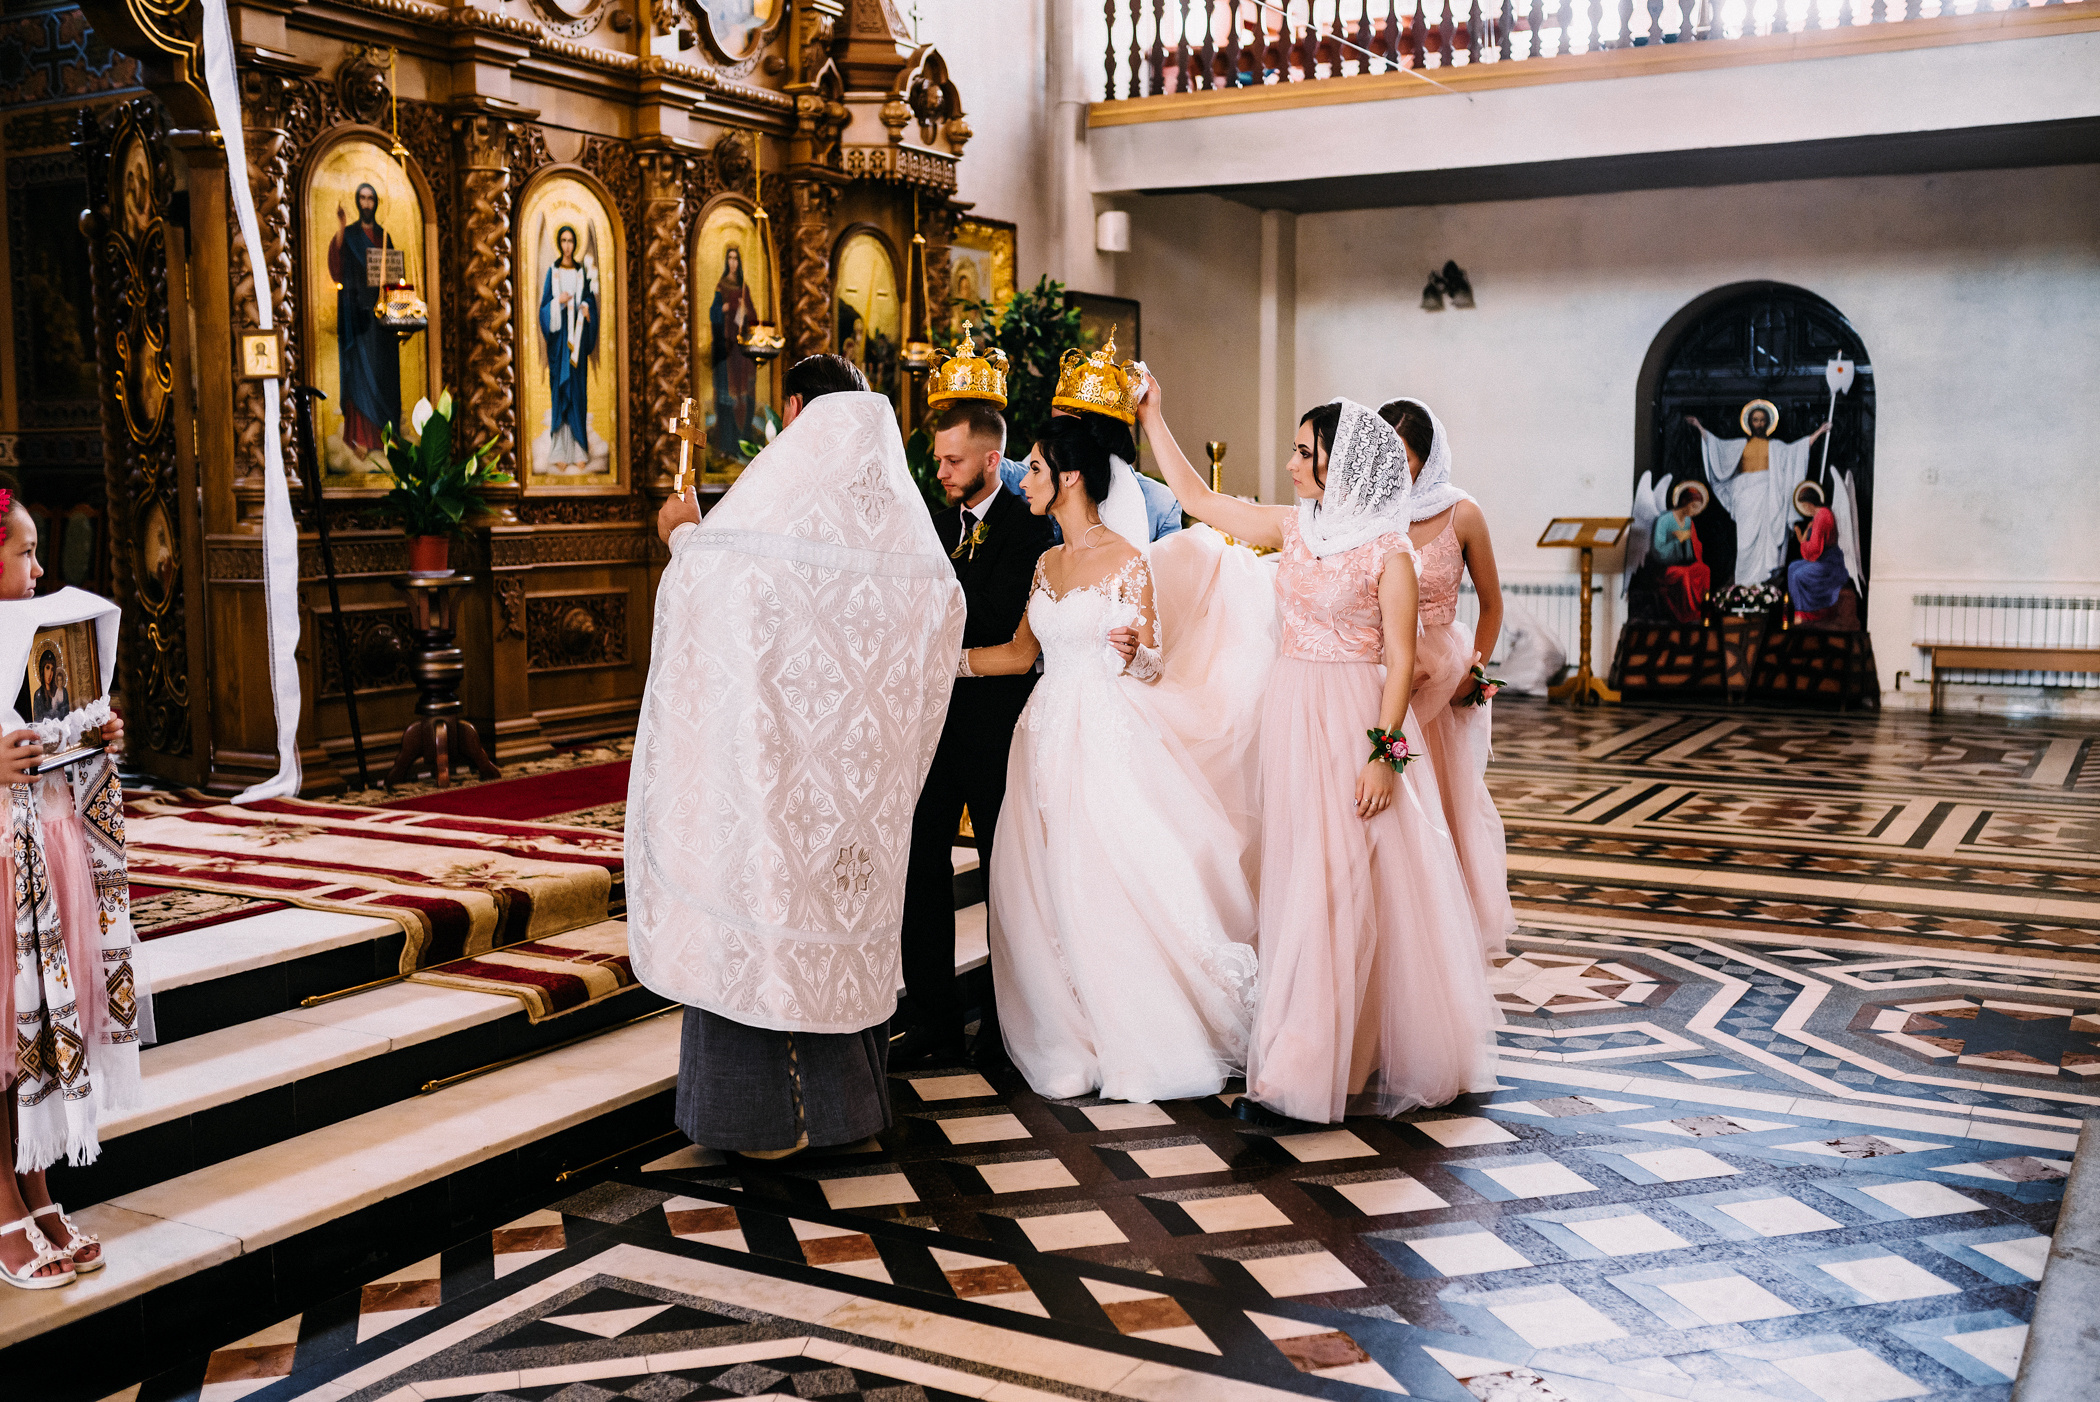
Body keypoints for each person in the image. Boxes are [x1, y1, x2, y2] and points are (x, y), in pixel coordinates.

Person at [630, 355, 965, 1158]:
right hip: (858, 787)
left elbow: (714, 587)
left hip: (777, 778)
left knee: (767, 920)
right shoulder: (899, 517)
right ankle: (845, 1114)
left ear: (791, 407)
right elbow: (941, 607)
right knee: (836, 927)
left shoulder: (779, 496)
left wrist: (682, 529)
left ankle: (765, 1126)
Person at [1142, 382, 1498, 1127]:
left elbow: (1401, 663)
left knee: (1343, 888)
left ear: (1344, 464)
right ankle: (1308, 1053)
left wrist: (1385, 755)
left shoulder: (1388, 551)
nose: (1293, 463)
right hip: (1293, 714)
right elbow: (1199, 500)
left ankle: (1301, 1075)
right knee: (1303, 881)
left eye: (1307, 453)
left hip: (1355, 723)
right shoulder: (1294, 528)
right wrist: (1154, 417)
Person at [961, 416, 1259, 1103]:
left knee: (1104, 879)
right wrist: (941, 665)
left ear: (1068, 478)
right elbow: (1018, 655)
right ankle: (1073, 1030)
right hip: (1041, 735)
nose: (1023, 480)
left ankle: (1137, 1027)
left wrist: (1135, 654)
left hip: (1102, 735)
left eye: (1033, 468)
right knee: (1043, 885)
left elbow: (1152, 666)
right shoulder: (1045, 562)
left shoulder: (1129, 560)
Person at [0, 482, 144, 1288]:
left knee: (35, 1042)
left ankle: (37, 1187)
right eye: (24, 551)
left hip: (47, 852)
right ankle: (2, 1210)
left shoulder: (34, 632)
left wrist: (90, 731)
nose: (39, 564)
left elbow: (50, 726)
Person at [893, 397, 1054, 1070]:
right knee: (919, 866)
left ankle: (999, 1023)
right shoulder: (932, 523)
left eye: (953, 459)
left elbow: (991, 618)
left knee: (1001, 870)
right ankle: (930, 1013)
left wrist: (935, 580)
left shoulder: (1027, 529)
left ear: (993, 460)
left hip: (997, 725)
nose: (941, 468)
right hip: (932, 725)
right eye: (937, 457)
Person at [1378, 398, 1514, 958]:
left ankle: (1448, 935)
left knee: (1447, 800)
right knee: (1392, 797)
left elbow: (1491, 605)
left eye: (1404, 459)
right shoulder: (1371, 509)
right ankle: (1397, 925)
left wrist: (1475, 673)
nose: (1394, 471)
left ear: (1429, 458)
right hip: (1388, 667)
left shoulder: (1464, 514)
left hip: (1444, 669)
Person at [996, 334, 1182, 545]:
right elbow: (988, 466)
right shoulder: (1029, 482)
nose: (1059, 441)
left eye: (1068, 431)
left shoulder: (1159, 504)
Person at [1687, 402, 1829, 588]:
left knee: (1767, 539)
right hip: (1745, 498)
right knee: (1745, 542)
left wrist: (1819, 432)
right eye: (1755, 420)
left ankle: (1765, 580)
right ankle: (1744, 583)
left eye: (1762, 420)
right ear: (1749, 422)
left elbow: (1797, 451)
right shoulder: (1739, 445)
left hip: (1768, 496)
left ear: (1768, 423)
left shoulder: (1776, 447)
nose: (1759, 424)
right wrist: (1699, 428)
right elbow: (1716, 447)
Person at [326, 182, 401, 458]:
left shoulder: (384, 236)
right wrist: (340, 227)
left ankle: (383, 439)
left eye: (371, 199)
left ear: (376, 203)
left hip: (380, 322)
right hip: (357, 319)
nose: (367, 203)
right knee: (359, 375)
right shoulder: (350, 235)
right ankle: (359, 439)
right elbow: (337, 269)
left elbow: (394, 276)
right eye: (363, 198)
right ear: (358, 202)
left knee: (384, 375)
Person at [539, 224, 600, 468]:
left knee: (577, 393)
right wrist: (558, 303)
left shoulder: (580, 272)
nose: (567, 245)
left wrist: (587, 309)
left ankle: (578, 450)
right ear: (558, 243)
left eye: (571, 241)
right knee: (560, 393)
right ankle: (559, 452)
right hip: (559, 344)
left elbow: (589, 302)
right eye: (563, 240)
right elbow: (544, 308)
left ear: (574, 244)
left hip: (577, 341)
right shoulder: (552, 272)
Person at [707, 245, 758, 457]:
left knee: (743, 396)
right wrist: (724, 310)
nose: (733, 262)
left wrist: (746, 314)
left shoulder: (744, 288)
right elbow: (713, 314)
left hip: (740, 353)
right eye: (730, 258)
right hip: (726, 351)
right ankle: (726, 445)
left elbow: (754, 317)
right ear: (726, 261)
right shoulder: (721, 287)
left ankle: (742, 442)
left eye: (736, 258)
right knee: (725, 397)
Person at [1787, 481, 1851, 627]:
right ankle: (1798, 611)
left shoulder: (1822, 516)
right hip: (1823, 558)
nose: (1804, 510)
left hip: (1829, 563)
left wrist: (1802, 542)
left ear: (1810, 503)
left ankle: (1806, 613)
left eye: (1804, 506)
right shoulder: (1819, 516)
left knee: (1798, 575)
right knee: (1792, 568)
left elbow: (1815, 549)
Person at [1653, 482, 1712, 623]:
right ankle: (1689, 615)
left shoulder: (1688, 522)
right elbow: (1657, 550)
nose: (1695, 511)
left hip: (1685, 563)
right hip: (1667, 568)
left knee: (1704, 570)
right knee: (1684, 575)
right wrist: (1676, 541)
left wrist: (1692, 544)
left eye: (1698, 509)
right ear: (1684, 502)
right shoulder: (1664, 520)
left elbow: (1695, 548)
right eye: (1694, 507)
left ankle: (1703, 610)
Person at [31, 647, 68, 723]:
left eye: (52, 669)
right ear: (42, 669)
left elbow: (66, 717)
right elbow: (38, 721)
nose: (50, 674)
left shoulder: (63, 692)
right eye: (47, 668)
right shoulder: (38, 694)